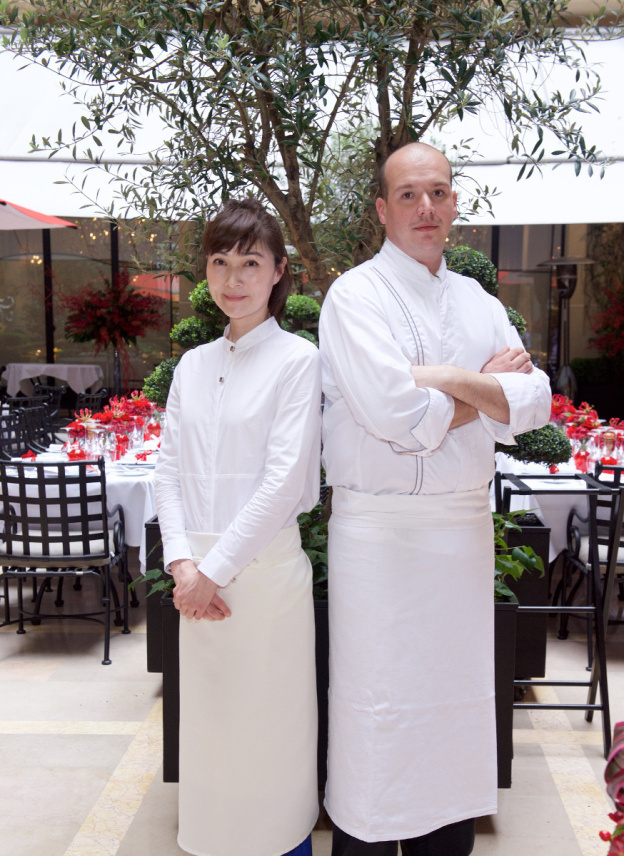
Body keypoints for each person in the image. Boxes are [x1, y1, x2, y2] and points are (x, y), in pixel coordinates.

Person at [319, 142, 552, 856]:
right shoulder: (354, 296)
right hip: (378, 544)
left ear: (454, 205)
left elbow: (535, 401)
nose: (427, 207)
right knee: (375, 722)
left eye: (439, 193)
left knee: (451, 721)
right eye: (410, 195)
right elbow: (394, 419)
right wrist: (484, 389)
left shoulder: (478, 300)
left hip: (458, 540)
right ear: (384, 210)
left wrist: (443, 377)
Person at [154, 198, 321, 856]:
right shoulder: (192, 366)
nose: (234, 279)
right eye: (220, 262)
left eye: (250, 263)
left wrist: (211, 571)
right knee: (211, 744)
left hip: (264, 584)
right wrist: (182, 566)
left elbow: (283, 484)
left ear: (278, 271)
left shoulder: (297, 361)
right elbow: (166, 473)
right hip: (198, 589)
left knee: (267, 745)